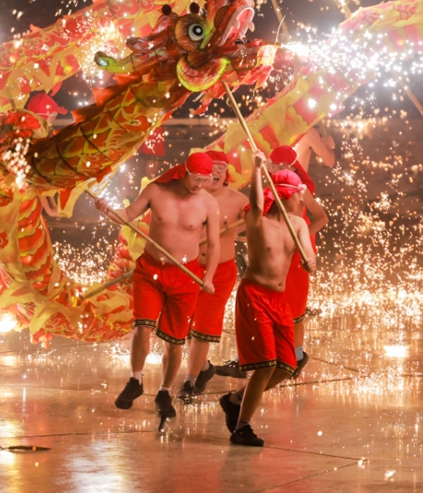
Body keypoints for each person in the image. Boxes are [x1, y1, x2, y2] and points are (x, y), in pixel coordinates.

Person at [98, 152, 222, 421]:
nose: (200, 184)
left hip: (186, 276)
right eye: (196, 178)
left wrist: (209, 276)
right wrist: (108, 210)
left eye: (206, 179)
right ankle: (135, 380)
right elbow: (128, 215)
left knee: (174, 340)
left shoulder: (209, 203)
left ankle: (164, 391)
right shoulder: (156, 190)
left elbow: (214, 245)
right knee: (142, 326)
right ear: (184, 171)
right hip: (150, 270)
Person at [219, 155, 316, 447]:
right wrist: (258, 170)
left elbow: (308, 252)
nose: (302, 200)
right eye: (298, 194)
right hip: (254, 296)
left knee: (287, 365)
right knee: (265, 364)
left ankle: (235, 400)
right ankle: (242, 427)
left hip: (279, 299)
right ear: (287, 195)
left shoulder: (298, 223)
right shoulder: (257, 219)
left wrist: (310, 262)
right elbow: (259, 203)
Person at [0, 92, 68, 322]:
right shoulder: (26, 142)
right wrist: (50, 208)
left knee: (6, 253)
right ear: (42, 116)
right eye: (51, 114)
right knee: (17, 256)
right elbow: (29, 179)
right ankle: (25, 306)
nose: (52, 119)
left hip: (5, 206)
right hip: (19, 210)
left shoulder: (14, 139)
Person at [177, 150, 249, 401]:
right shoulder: (189, 197)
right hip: (188, 268)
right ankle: (204, 368)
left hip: (221, 271)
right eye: (212, 167)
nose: (217, 172)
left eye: (222, 167)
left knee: (201, 329)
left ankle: (189, 381)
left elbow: (258, 224)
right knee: (184, 326)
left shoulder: (239, 201)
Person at [266, 144, 328, 377]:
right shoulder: (269, 188)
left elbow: (322, 218)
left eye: (275, 165)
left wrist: (303, 235)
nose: (271, 168)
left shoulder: (301, 191)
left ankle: (297, 355)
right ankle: (271, 355)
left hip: (298, 253)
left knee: (295, 307)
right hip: (276, 251)